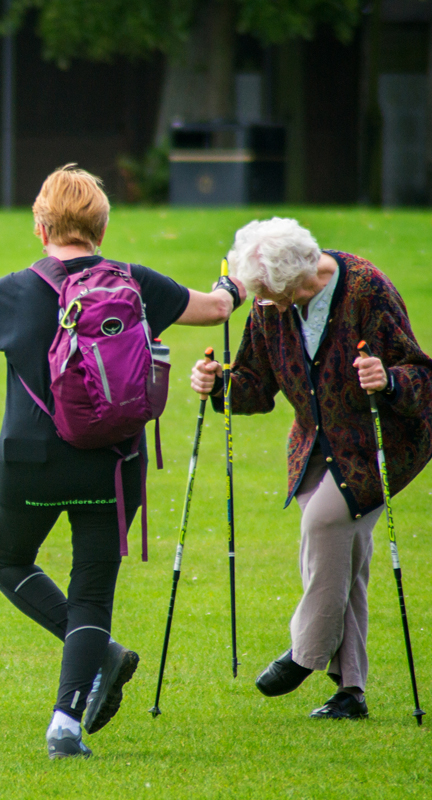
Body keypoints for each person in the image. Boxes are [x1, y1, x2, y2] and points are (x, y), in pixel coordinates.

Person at [0, 164, 243, 758]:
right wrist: (235, 287)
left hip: (31, 463)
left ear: (40, 227)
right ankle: (66, 722)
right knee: (92, 595)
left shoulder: (13, 290)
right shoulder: (136, 284)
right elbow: (214, 309)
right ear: (102, 227)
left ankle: (101, 653)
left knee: (0, 558)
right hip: (114, 463)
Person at [190, 217, 432, 720]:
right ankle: (351, 692)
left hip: (378, 444)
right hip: (313, 448)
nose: (267, 306)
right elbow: (254, 386)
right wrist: (218, 384)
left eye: (273, 295)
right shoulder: (270, 304)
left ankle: (305, 653)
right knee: (344, 561)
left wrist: (386, 378)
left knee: (324, 524)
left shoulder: (367, 289)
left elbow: (422, 377)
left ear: (300, 279)